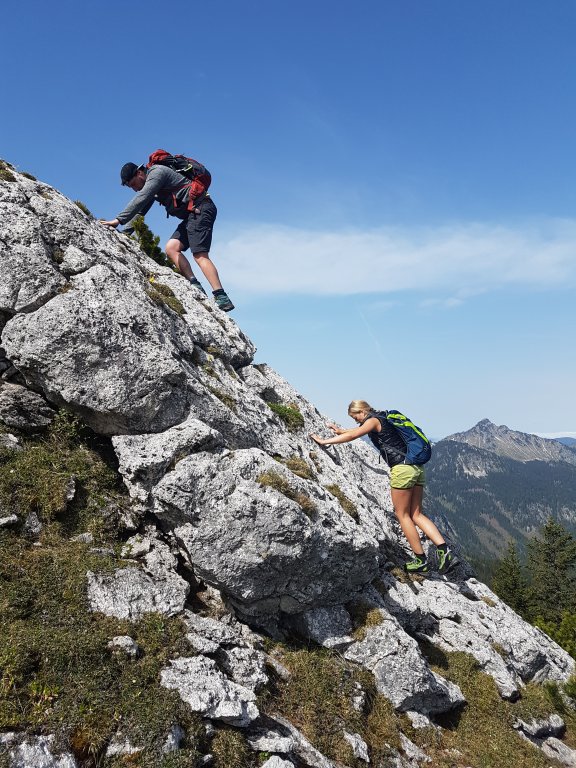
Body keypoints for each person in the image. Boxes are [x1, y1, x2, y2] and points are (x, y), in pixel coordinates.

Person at [310, 399, 455, 574]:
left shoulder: (372, 420)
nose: (355, 420)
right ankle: (444, 550)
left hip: (402, 469)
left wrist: (324, 441)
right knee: (416, 514)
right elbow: (358, 430)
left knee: (402, 515)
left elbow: (354, 435)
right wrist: (341, 430)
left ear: (362, 411)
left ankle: (420, 560)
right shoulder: (382, 417)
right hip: (417, 467)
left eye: (355, 417)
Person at [100, 160, 234, 312]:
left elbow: (141, 198)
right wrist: (125, 233)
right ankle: (195, 285)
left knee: (199, 255)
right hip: (191, 215)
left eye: (133, 184)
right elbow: (140, 211)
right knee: (171, 248)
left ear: (139, 173)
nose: (134, 189)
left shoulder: (157, 173)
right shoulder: (152, 185)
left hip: (201, 208)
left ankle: (221, 296)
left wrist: (118, 220)